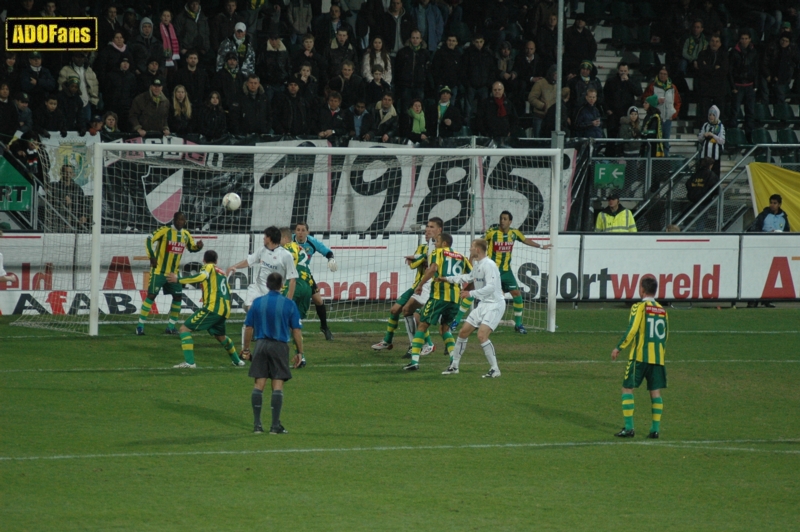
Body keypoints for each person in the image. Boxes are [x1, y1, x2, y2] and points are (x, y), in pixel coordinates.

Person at [451, 210, 552, 333]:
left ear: (510, 221)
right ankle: (456, 321)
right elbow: (478, 244)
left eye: (505, 219)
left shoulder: (514, 233)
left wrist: (541, 246)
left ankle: (518, 324)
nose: (502, 221)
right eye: (501, 218)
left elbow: (525, 240)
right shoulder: (492, 233)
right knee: (474, 292)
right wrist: (471, 260)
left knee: (517, 294)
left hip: (505, 272)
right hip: (492, 270)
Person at [241, 272, 304, 434]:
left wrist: (246, 349)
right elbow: (296, 330)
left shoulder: (257, 303)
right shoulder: (289, 304)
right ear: (282, 286)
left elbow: (249, 327)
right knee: (277, 385)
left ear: (267, 285)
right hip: (279, 346)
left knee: (258, 384)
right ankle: (275, 425)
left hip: (261, 345)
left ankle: (257, 425)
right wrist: (300, 352)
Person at [372, 217, 442, 355]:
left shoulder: (440, 248)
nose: (428, 230)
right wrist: (417, 258)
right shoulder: (424, 247)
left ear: (439, 230)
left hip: (430, 287)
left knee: (415, 315)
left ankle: (422, 345)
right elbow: (413, 265)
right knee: (395, 310)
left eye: (432, 227)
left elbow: (428, 264)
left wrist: (418, 258)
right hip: (417, 285)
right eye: (427, 226)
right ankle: (388, 340)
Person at [403, 233, 471, 371]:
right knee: (444, 329)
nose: (435, 243)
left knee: (422, 324)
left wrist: (420, 285)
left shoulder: (438, 252)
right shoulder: (462, 257)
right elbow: (472, 276)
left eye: (437, 241)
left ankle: (414, 361)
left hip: (439, 296)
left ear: (444, 243)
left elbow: (433, 269)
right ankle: (453, 361)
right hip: (455, 298)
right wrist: (468, 291)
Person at [167, 250, 244, 369]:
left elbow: (202, 276)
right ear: (216, 261)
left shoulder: (207, 267)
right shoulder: (221, 273)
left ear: (204, 260)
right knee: (221, 337)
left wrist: (178, 280)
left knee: (184, 329)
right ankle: (237, 361)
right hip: (224, 310)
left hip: (212, 308)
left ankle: (190, 363)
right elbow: (228, 291)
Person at [611, 276, 667, 439]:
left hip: (640, 357)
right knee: (655, 391)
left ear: (642, 290)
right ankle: (654, 429)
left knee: (627, 388)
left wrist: (619, 347)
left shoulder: (639, 307)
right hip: (658, 358)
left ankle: (629, 428)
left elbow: (633, 328)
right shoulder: (662, 310)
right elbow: (665, 335)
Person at [440, 238, 504, 377]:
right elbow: (468, 277)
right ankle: (454, 366)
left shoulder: (489, 265)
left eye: (471, 247)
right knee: (463, 332)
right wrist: (447, 278)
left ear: (478, 250)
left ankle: (495, 369)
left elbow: (491, 287)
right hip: (483, 304)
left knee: (482, 335)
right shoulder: (477, 264)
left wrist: (471, 293)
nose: (469, 249)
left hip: (494, 305)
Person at [136, 211, 204, 336]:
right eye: (178, 220)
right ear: (173, 220)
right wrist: (152, 256)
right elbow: (149, 239)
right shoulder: (165, 231)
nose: (180, 222)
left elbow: (191, 248)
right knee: (151, 296)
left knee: (178, 297)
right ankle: (140, 326)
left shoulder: (186, 234)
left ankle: (171, 327)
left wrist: (198, 247)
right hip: (159, 271)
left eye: (182, 220)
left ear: (185, 222)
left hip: (173, 274)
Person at [292, 222, 338, 340]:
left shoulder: (312, 242)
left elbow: (328, 252)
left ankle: (324, 327)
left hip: (305, 275)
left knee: (318, 300)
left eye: (303, 230)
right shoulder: (289, 242)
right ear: (295, 231)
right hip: (289, 276)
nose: (300, 233)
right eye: (298, 230)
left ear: (308, 232)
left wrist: (331, 259)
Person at [642, 66, 681, 156]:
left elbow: (678, 102)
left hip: (667, 119)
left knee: (665, 143)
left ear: (668, 75)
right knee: (654, 142)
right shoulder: (652, 86)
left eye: (665, 74)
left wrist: (674, 114)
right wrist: (656, 101)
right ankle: (653, 163)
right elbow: (644, 99)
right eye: (661, 74)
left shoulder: (673, 87)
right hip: (655, 119)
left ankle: (664, 165)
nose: (662, 76)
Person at [603, 62, 642, 149]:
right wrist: (607, 110)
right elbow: (604, 97)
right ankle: (610, 158)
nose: (623, 73)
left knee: (626, 138)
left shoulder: (633, 81)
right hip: (613, 115)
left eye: (625, 71)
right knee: (611, 138)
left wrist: (628, 81)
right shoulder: (611, 81)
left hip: (627, 115)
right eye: (621, 71)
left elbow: (639, 92)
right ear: (618, 70)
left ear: (628, 71)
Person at [729, 30, 759, 140]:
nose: (744, 41)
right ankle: (733, 134)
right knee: (735, 111)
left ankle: (749, 135)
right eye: (742, 38)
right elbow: (730, 71)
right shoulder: (734, 52)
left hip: (750, 85)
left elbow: (756, 69)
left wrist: (755, 85)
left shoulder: (754, 52)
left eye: (746, 38)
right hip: (738, 85)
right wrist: (733, 87)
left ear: (750, 39)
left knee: (750, 112)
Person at [695, 34, 729, 129]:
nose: (714, 43)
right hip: (705, 89)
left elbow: (724, 71)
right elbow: (702, 70)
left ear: (720, 44)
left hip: (719, 90)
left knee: (719, 115)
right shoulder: (702, 54)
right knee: (704, 114)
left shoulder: (724, 55)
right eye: (713, 41)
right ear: (709, 43)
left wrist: (708, 68)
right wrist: (715, 68)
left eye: (717, 41)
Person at [46, 164, 88, 231]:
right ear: (61, 173)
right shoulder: (54, 186)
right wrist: (63, 196)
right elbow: (46, 188)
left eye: (70, 173)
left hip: (74, 224)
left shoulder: (77, 189)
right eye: (66, 172)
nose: (68, 175)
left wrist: (84, 216)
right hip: (58, 224)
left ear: (73, 174)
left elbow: (83, 204)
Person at [685, 156, 719, 231]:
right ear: (711, 165)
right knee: (702, 217)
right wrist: (712, 195)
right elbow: (715, 186)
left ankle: (698, 230)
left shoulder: (696, 173)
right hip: (704, 199)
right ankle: (699, 232)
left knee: (699, 215)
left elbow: (688, 183)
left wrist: (692, 192)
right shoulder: (711, 175)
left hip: (694, 198)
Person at [528, 65, 557, 138]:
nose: (557, 76)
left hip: (551, 119)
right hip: (540, 117)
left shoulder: (557, 85)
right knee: (538, 140)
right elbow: (531, 98)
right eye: (555, 74)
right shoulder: (540, 83)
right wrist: (543, 106)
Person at [698, 105, 725, 176]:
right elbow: (700, 139)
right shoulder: (705, 125)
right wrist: (704, 135)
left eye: (713, 115)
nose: (711, 116)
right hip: (705, 156)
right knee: (703, 175)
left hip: (715, 156)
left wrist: (713, 135)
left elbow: (722, 141)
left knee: (714, 176)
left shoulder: (720, 126)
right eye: (710, 114)